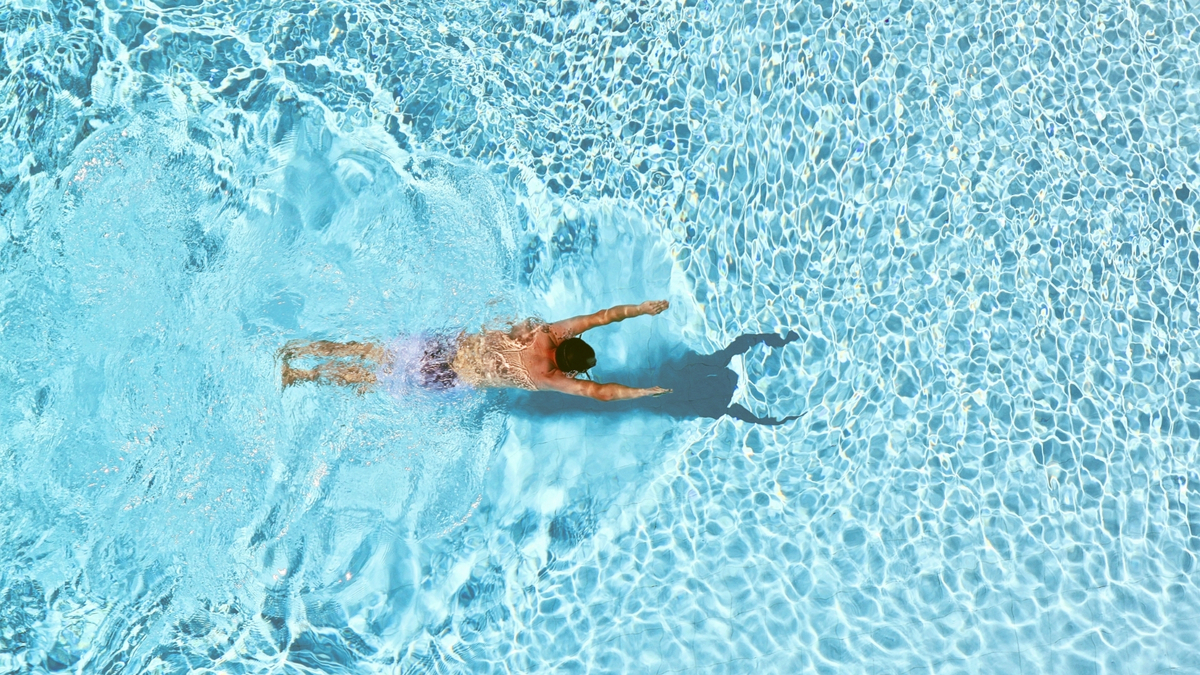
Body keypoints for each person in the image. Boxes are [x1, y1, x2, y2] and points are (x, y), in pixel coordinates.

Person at [279, 300, 673, 400]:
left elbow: (602, 317)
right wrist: (642, 393)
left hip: (445, 346)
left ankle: (301, 349)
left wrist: (642, 308)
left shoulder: (547, 333)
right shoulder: (547, 378)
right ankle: (302, 375)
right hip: (449, 376)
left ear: (569, 342)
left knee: (370, 351)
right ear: (568, 369)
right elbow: (599, 392)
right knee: (371, 378)